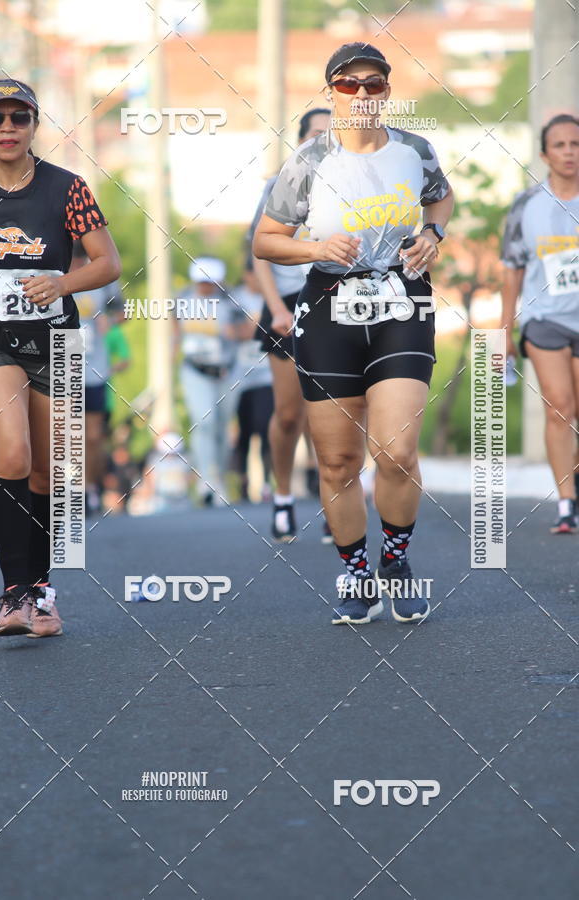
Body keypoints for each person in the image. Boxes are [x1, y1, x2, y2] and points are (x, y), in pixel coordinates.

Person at [253, 43, 454, 624]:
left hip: (402, 301)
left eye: (373, 84)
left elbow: (441, 198)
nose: (361, 94)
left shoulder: (414, 150)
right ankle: (357, 573)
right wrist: (316, 247)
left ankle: (396, 561)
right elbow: (266, 240)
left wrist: (433, 235)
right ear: (331, 93)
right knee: (339, 460)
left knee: (396, 450)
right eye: (349, 84)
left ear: (387, 92)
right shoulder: (309, 160)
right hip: (329, 306)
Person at [0, 79, 121, 636]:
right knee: (12, 453)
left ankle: (41, 592)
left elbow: (107, 263)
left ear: (35, 125)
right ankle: (14, 594)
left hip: (55, 341)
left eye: (20, 118)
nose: (8, 128)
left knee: (51, 473)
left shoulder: (68, 188)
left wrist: (62, 283)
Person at [250, 108, 332, 542]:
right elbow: (259, 251)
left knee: (334, 410)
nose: (324, 142)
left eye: (331, 134)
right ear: (301, 141)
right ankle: (282, 496)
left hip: (334, 300)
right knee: (289, 413)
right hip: (285, 304)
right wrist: (275, 310)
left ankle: (335, 501)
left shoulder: (353, 182)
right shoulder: (279, 183)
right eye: (316, 134)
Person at [501, 114, 579, 534]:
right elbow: (511, 268)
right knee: (559, 406)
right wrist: (505, 331)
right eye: (560, 145)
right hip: (543, 317)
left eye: (575, 144)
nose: (569, 152)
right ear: (545, 155)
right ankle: (566, 504)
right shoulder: (526, 204)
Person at [175, 257, 245, 505]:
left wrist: (233, 333)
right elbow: (174, 330)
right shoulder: (182, 298)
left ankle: (220, 478)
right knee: (204, 422)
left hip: (227, 370)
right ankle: (206, 480)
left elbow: (249, 330)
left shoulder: (231, 300)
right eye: (201, 281)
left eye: (210, 281)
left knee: (222, 427)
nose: (205, 286)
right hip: (195, 370)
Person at [71, 241, 124, 515]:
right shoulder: (48, 272)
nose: (77, 267)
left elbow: (122, 312)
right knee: (65, 433)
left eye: (82, 262)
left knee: (93, 436)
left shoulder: (103, 278)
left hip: (94, 368)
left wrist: (110, 321)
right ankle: (66, 488)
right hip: (59, 363)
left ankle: (88, 488)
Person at [229, 263, 274, 501]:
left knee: (265, 425)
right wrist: (257, 329)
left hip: (267, 373)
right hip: (240, 376)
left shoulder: (272, 295)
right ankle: (243, 482)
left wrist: (253, 329)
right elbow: (230, 331)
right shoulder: (234, 298)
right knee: (244, 430)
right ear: (247, 275)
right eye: (255, 275)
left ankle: (266, 481)